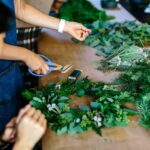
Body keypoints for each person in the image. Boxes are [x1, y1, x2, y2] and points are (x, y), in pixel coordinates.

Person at [0, 0, 91, 137]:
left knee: (14, 126)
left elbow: (20, 7)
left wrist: (64, 26)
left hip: (9, 71)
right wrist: (26, 55)